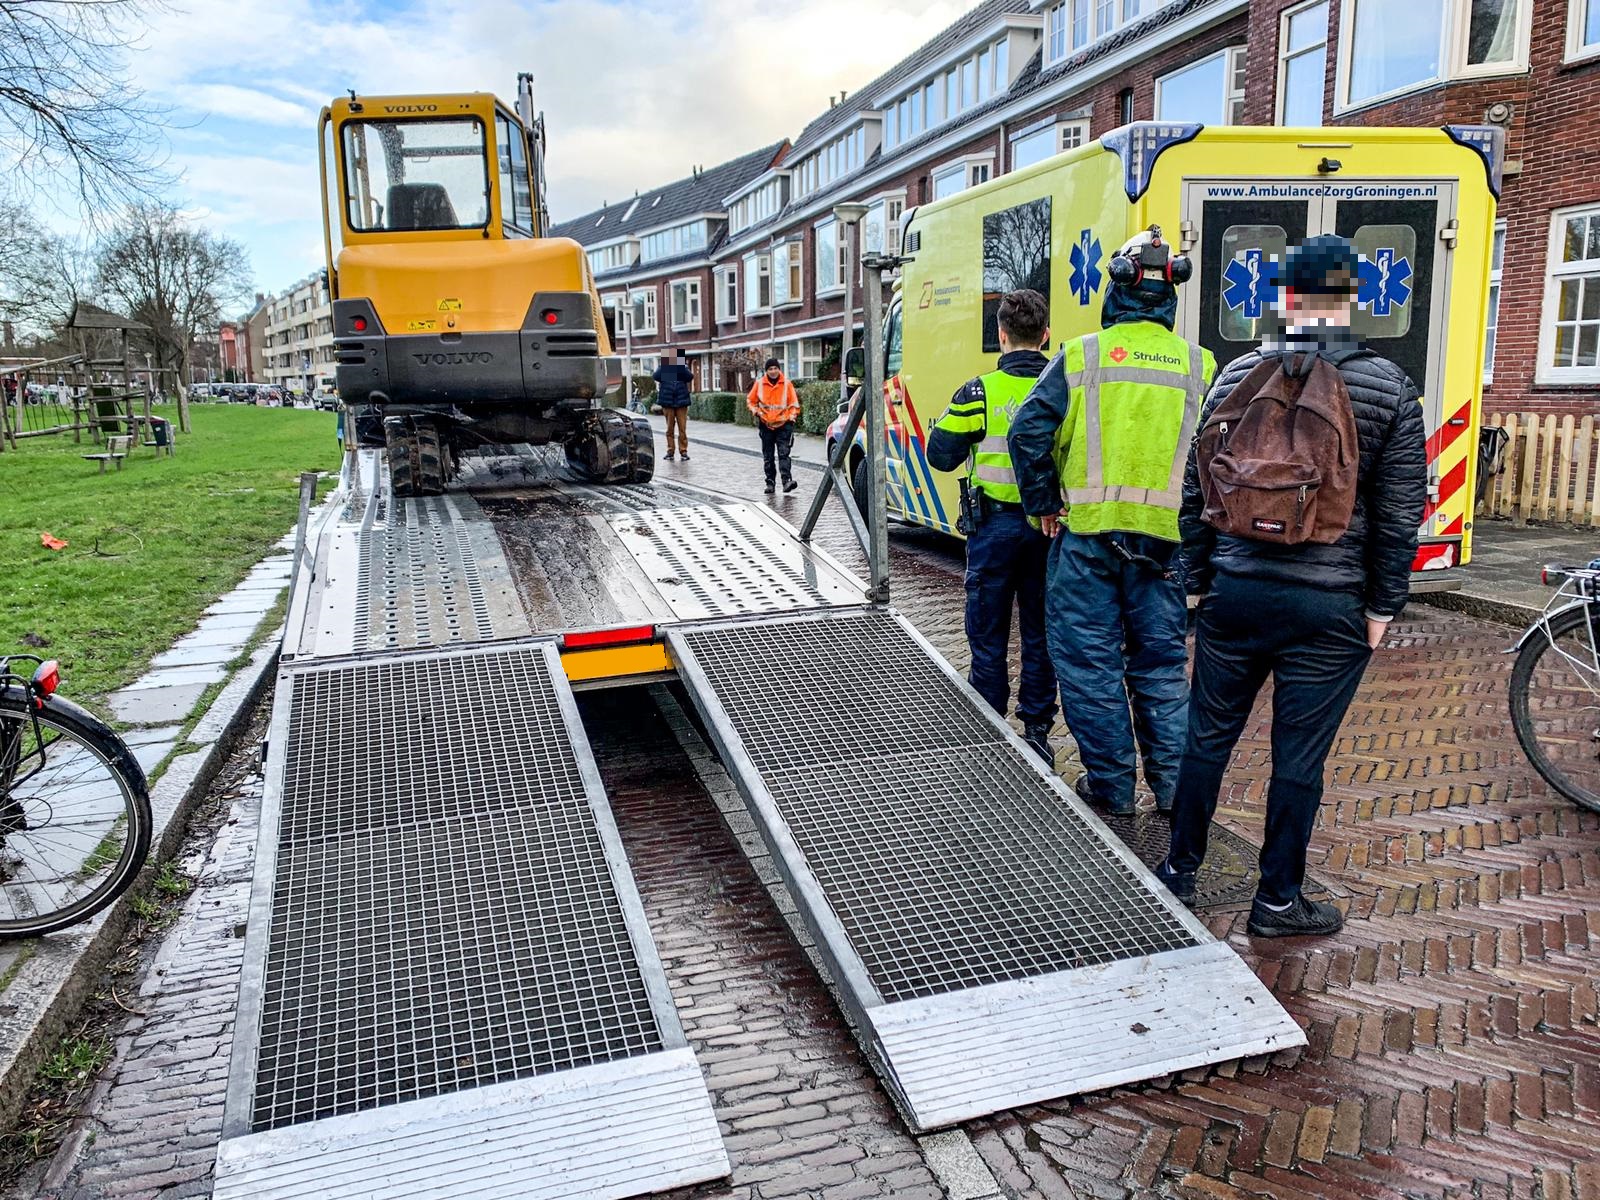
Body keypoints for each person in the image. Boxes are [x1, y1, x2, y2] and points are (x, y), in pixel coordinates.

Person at [1160, 234, 1426, 939]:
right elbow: (1400, 513)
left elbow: (1195, 487)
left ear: (1282, 297)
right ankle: (1277, 901)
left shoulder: (1236, 375)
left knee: (1207, 737)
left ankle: (1177, 872)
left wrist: (1196, 581)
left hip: (1236, 592)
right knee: (1299, 758)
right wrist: (1383, 604)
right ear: (1350, 299)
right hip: (1329, 604)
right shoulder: (1389, 388)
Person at [1009, 227, 1215, 815]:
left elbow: (1027, 431)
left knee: (1090, 664)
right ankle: (1174, 792)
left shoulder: (1083, 355)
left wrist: (1043, 504)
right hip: (1164, 547)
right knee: (1161, 669)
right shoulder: (1201, 364)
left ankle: (1113, 788)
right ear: (1169, 292)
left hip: (1088, 541)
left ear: (1117, 288)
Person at [927, 289, 1058, 766]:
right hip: (1049, 531)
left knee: (988, 633)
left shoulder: (979, 392)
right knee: (1041, 633)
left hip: (994, 530)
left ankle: (990, 727)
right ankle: (1038, 733)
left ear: (1001, 335)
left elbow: (940, 456)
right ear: (1046, 336)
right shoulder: (1063, 386)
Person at [747, 357, 800, 494]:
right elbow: (751, 400)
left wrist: (792, 416)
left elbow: (794, 403)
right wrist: (756, 411)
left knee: (784, 454)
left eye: (775, 368)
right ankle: (770, 483)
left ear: (779, 369)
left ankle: (786, 481)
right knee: (768, 456)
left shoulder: (787, 384)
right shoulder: (759, 384)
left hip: (784, 424)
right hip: (766, 424)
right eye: (770, 369)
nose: (773, 371)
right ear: (766, 371)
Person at [653, 349, 694, 461]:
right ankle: (670, 451)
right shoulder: (665, 369)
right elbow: (656, 376)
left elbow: (690, 377)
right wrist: (664, 366)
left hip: (681, 402)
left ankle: (683, 451)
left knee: (682, 428)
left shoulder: (682, 368)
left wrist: (681, 366)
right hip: (668, 402)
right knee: (669, 428)